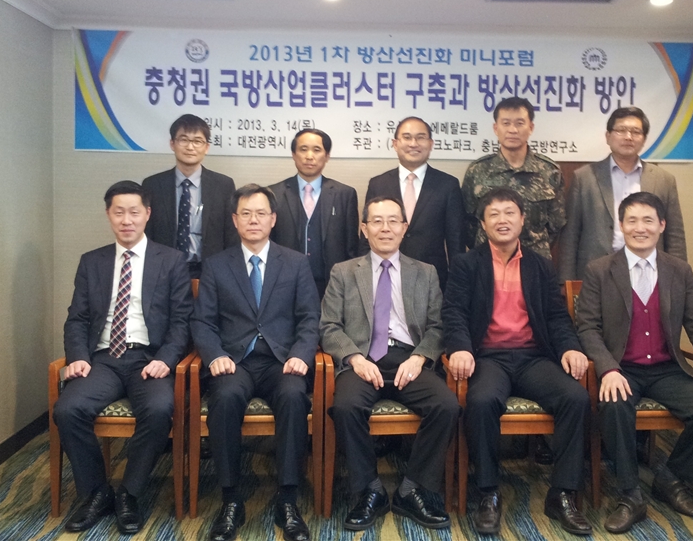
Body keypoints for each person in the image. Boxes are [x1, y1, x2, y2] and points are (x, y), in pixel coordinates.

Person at [575, 191, 693, 533]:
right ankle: (630, 494)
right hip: (622, 367)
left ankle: (672, 479)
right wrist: (608, 368)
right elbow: (586, 327)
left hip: (667, 369)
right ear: (621, 226)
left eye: (648, 220)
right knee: (614, 405)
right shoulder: (599, 270)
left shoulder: (679, 271)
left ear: (661, 225)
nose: (640, 228)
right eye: (631, 220)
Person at [444, 187, 592, 536]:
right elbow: (454, 313)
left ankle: (562, 493)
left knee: (576, 397)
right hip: (488, 357)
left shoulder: (540, 265)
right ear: (483, 224)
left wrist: (570, 348)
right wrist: (460, 348)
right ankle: (488, 492)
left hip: (532, 357)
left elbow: (556, 317)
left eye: (510, 213)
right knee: (482, 401)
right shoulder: (467, 264)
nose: (502, 220)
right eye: (493, 214)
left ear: (522, 220)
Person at [53, 181, 192, 535]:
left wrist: (166, 358)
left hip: (149, 358)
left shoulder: (172, 261)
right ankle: (96, 493)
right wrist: (78, 356)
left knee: (159, 409)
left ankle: (129, 493)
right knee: (68, 409)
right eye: (119, 213)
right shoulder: (92, 261)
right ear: (108, 215)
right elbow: (77, 318)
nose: (126, 220)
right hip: (103, 360)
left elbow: (182, 322)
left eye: (134, 212)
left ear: (147, 214)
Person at [321, 196, 460, 532]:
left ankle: (412, 489)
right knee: (345, 407)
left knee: (446, 405)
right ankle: (370, 490)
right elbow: (328, 326)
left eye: (393, 221)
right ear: (364, 228)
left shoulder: (425, 272)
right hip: (362, 359)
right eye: (377, 221)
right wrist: (354, 357)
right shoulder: (343, 272)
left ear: (404, 227)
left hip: (408, 359)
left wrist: (420, 357)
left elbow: (438, 326)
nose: (385, 228)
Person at [192, 184, 320, 541]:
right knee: (224, 398)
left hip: (282, 361)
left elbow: (310, 318)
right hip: (235, 362)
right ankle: (231, 499)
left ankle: (288, 499)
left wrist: (301, 354)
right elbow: (202, 322)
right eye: (246, 213)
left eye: (260, 213)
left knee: (294, 397)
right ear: (235, 220)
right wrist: (215, 355)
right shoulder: (217, 265)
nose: (253, 220)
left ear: (273, 219)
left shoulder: (295, 262)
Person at [559, 106, 686, 282]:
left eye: (635, 132)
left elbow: (675, 236)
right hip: (597, 274)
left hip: (649, 271)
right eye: (621, 130)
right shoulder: (584, 178)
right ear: (608, 136)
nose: (628, 137)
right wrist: (566, 281)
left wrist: (679, 279)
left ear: (644, 139)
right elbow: (570, 235)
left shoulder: (663, 180)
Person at [361, 116, 465, 289]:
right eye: (407, 137)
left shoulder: (448, 185)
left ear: (430, 144)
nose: (413, 143)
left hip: (432, 279)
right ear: (395, 144)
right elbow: (366, 237)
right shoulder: (378, 184)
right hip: (383, 275)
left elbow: (456, 241)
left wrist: (456, 285)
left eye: (420, 137)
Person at [462, 97, 565, 259]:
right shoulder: (477, 170)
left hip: (535, 260)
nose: (513, 130)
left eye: (519, 123)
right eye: (506, 123)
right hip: (488, 260)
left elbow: (556, 223)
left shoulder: (549, 171)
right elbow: (467, 222)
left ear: (531, 127)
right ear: (496, 128)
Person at [142, 114, 237, 278]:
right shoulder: (153, 185)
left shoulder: (223, 185)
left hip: (210, 273)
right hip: (163, 272)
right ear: (172, 144)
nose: (190, 147)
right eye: (183, 140)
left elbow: (231, 235)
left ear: (206, 147)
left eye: (197, 141)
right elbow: (146, 234)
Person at [269, 128, 359, 298]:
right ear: (293, 154)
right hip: (284, 285)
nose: (309, 156)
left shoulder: (345, 194)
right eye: (303, 149)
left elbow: (351, 247)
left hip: (332, 287)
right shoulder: (274, 193)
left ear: (327, 156)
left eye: (317, 150)